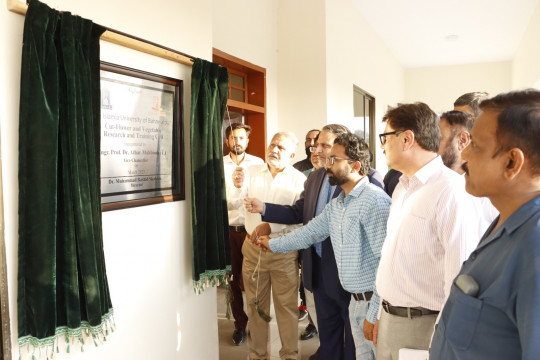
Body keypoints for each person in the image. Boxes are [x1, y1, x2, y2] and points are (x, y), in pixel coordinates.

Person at [254, 133, 391, 360]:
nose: (327, 164)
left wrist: (375, 311)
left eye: (334, 159)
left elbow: (385, 263)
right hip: (356, 303)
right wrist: (274, 244)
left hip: (371, 303)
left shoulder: (374, 201)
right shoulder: (339, 203)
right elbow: (309, 232)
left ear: (355, 165)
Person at [430, 89, 540, 359]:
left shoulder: (534, 250)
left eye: (476, 145)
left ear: (512, 162)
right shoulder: (505, 221)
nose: (464, 155)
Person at [373, 103, 481, 360]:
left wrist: (441, 339)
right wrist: (380, 314)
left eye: (385, 138)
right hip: (390, 319)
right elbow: (393, 259)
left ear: (407, 138)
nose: (382, 146)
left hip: (424, 327)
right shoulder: (401, 187)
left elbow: (459, 279)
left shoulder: (451, 191)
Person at [245, 124, 356, 360]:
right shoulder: (315, 177)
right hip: (315, 262)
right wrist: (264, 208)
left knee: (352, 332)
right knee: (328, 329)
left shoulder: (359, 180)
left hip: (344, 267)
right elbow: (299, 212)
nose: (317, 150)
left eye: (325, 145)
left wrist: (275, 241)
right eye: (317, 145)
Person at [236, 132, 306, 360]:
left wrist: (272, 229)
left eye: (281, 148)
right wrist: (237, 186)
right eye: (272, 144)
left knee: (286, 309)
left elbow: (300, 220)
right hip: (252, 251)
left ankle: (289, 356)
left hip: (283, 252)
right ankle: (257, 355)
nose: (274, 150)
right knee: (256, 308)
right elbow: (238, 205)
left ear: (292, 154)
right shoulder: (251, 172)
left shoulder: (299, 180)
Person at [222, 122, 264, 346]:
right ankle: (240, 324)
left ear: (247, 141)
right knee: (233, 281)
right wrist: (236, 188)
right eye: (233, 137)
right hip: (229, 231)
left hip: (251, 232)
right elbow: (220, 201)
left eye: (241, 137)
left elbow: (262, 195)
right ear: (227, 141)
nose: (237, 141)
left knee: (255, 279)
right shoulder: (219, 165)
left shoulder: (258, 164)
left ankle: (258, 323)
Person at [438, 110, 498, 236]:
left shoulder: (488, 195)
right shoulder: (436, 185)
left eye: (439, 139)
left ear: (462, 140)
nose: (432, 147)